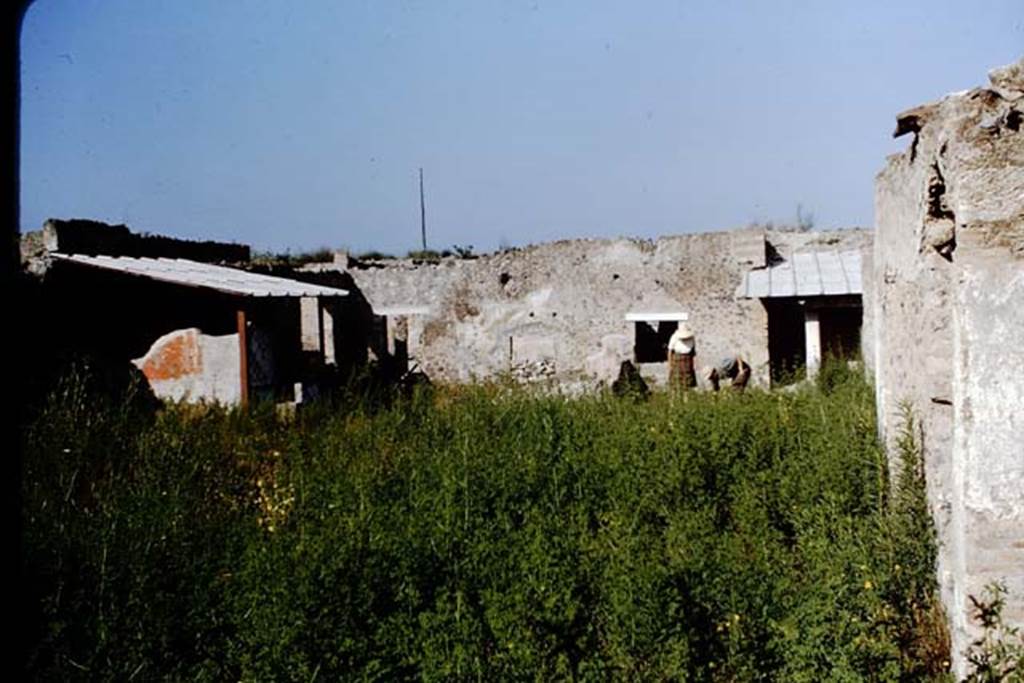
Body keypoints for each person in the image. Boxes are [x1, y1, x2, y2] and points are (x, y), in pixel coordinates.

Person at [667, 324, 697, 390]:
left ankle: (686, 395)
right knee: (676, 383)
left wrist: (694, 363)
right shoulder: (674, 337)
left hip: (688, 360)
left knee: (688, 383)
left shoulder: (691, 338)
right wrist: (669, 364)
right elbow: (670, 351)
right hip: (677, 359)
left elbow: (693, 351)